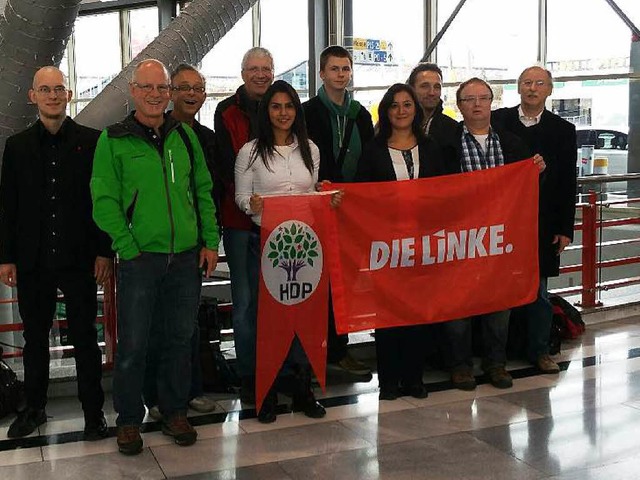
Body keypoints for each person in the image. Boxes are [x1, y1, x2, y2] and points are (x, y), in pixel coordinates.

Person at [91, 59, 220, 455]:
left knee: (179, 339)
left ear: (169, 93)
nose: (154, 94)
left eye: (161, 88)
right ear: (132, 90)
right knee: (133, 344)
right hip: (139, 258)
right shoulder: (113, 139)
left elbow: (203, 191)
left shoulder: (185, 136)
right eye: (146, 87)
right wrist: (127, 246)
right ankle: (129, 420)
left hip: (184, 258)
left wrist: (209, 241)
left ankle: (174, 410)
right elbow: (103, 200)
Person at [0, 66, 112, 440]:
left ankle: (94, 413)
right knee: (34, 340)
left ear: (68, 94)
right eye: (44, 90)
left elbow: (102, 203)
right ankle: (34, 409)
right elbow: (8, 207)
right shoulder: (15, 147)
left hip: (80, 260)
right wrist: (6, 257)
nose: (52, 95)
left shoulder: (93, 142)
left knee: (84, 338)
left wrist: (103, 252)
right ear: (33, 96)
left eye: (58, 89)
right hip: (33, 262)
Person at [441, 77, 545, 391]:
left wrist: (535, 172)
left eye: (482, 98)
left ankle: (495, 363)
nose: (476, 105)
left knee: (500, 305)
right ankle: (460, 366)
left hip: (502, 239)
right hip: (461, 239)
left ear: (491, 102)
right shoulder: (447, 146)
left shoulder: (512, 144)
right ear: (459, 106)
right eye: (468, 99)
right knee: (458, 306)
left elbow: (527, 192)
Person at [234, 80, 327, 423]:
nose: (283, 113)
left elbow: (313, 189)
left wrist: (324, 193)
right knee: (268, 321)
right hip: (269, 243)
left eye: (289, 106)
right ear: (266, 111)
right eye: (276, 106)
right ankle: (267, 392)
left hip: (305, 244)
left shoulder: (311, 149)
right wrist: (252, 203)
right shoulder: (250, 151)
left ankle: (303, 388)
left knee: (303, 316)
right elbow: (241, 198)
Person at [355, 83, 448, 400]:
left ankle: (414, 377)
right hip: (386, 245)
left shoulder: (432, 147)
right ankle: (389, 381)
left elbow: (449, 192)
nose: (401, 111)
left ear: (415, 109)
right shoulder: (373, 151)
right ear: (386, 111)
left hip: (424, 243)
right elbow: (361, 196)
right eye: (394, 106)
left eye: (407, 105)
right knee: (387, 314)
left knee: (417, 313)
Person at [143, 64, 218, 420]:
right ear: (170, 92)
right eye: (183, 87)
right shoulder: (149, 133)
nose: (191, 94)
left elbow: (207, 193)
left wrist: (209, 241)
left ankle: (190, 391)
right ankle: (155, 396)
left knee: (187, 324)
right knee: (155, 324)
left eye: (198, 88)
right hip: (150, 249)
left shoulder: (204, 138)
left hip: (191, 246)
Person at [492, 66, 577, 374]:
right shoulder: (499, 121)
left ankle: (540, 350)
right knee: (499, 290)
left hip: (542, 222)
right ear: (518, 87)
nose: (532, 88)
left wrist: (565, 228)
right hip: (501, 221)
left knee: (538, 291)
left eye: (539, 83)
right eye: (527, 82)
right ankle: (497, 356)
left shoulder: (563, 130)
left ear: (549, 90)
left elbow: (569, 181)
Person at [302, 45, 374, 377]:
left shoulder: (360, 114)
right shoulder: (308, 112)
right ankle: (319, 349)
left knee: (346, 279)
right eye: (334, 69)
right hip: (318, 207)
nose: (341, 75)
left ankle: (341, 347)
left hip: (353, 209)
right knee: (320, 279)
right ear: (321, 74)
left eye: (345, 69)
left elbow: (370, 157)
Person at [214, 47, 274, 403]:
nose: (260, 74)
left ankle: (277, 368)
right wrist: (248, 198)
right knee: (246, 300)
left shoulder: (280, 106)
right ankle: (249, 373)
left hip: (278, 222)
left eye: (266, 68)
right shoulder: (227, 111)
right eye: (254, 68)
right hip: (238, 221)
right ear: (242, 72)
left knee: (277, 298)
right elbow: (227, 165)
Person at [407, 63, 458, 146]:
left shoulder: (453, 129)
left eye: (437, 87)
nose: (431, 92)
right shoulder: (398, 125)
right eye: (425, 86)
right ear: (411, 89)